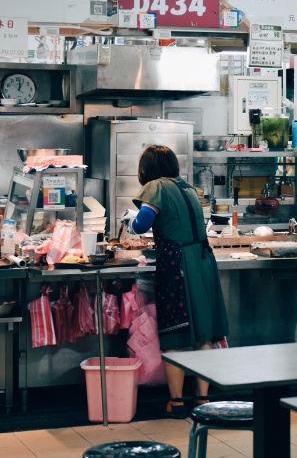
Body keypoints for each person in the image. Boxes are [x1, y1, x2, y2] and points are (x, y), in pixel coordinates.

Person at [126, 145, 229, 418]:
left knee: (176, 332)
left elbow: (142, 223)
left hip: (177, 264)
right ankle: (202, 400)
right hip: (203, 261)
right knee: (203, 332)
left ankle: (177, 401)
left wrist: (130, 223)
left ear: (146, 169)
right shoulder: (188, 188)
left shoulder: (156, 187)